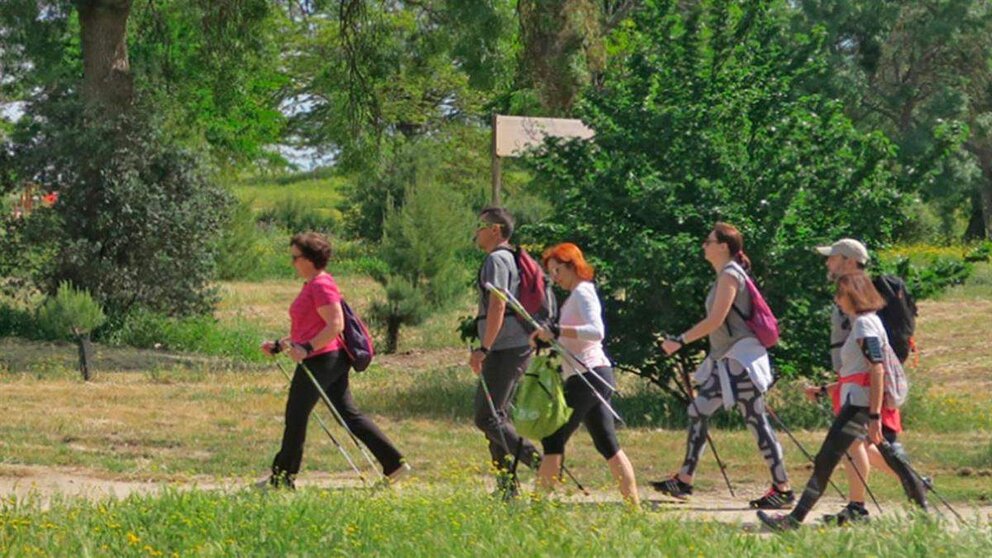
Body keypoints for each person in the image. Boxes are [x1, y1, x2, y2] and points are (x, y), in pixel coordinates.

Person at [758, 273, 928, 531]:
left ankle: (793, 521)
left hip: (858, 408)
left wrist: (874, 417)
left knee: (826, 460)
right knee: (867, 460)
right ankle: (923, 514)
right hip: (858, 404)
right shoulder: (869, 322)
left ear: (853, 295)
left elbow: (876, 370)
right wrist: (827, 390)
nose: (837, 299)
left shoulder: (863, 325)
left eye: (840, 294)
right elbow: (857, 373)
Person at [655, 222, 794, 509]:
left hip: (740, 361)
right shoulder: (724, 276)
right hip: (729, 361)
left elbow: (715, 321)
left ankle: (783, 488)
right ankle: (684, 479)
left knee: (756, 421)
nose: (704, 245)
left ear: (723, 247)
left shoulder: (730, 275)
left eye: (709, 241)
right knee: (699, 410)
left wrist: (679, 341)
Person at [259, 232, 408, 488]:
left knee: (296, 416)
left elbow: (335, 324)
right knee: (348, 414)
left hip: (322, 359)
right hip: (326, 357)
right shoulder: (313, 284)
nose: (292, 262)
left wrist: (306, 348)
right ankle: (394, 463)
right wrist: (282, 344)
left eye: (295, 257)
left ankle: (282, 479)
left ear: (309, 259)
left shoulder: (321, 284)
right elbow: (312, 325)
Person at [807, 239, 928, 524]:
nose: (828, 263)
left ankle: (864, 504)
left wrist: (869, 402)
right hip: (854, 383)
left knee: (866, 444)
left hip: (863, 387)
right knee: (863, 445)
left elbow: (871, 357)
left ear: (848, 260)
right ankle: (912, 485)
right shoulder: (859, 291)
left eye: (833, 257)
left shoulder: (856, 293)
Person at [529, 243, 639, 505]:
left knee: (553, 438)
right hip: (590, 375)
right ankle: (634, 509)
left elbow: (596, 331)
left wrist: (557, 331)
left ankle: (537, 508)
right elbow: (569, 335)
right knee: (607, 444)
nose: (555, 278)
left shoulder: (583, 292)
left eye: (557, 270)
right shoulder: (576, 295)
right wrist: (549, 339)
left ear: (571, 265)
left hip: (588, 375)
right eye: (551, 272)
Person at [469, 207, 542, 494]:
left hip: (505, 347)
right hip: (511, 345)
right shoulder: (507, 257)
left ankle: (541, 464)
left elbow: (498, 304)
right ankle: (507, 487)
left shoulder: (497, 259)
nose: (476, 232)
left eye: (480, 226)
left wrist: (484, 347)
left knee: (486, 417)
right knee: (496, 416)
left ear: (495, 230)